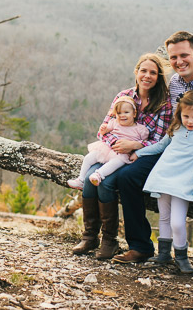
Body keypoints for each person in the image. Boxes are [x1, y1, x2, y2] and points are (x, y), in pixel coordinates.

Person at [112, 31, 193, 282]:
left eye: (184, 55)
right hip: (176, 150)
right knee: (128, 177)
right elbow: (169, 127)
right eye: (173, 57)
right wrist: (140, 148)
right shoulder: (175, 84)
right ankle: (141, 246)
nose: (179, 61)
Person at [71, 53, 172, 260]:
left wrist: (135, 146)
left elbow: (160, 140)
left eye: (153, 72)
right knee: (91, 180)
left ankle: (109, 240)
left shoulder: (164, 104)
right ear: (136, 72)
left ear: (159, 76)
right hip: (111, 151)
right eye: (143, 71)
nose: (147, 76)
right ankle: (90, 236)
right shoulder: (123, 96)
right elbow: (103, 130)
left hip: (140, 157)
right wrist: (117, 145)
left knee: (106, 182)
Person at [130, 90, 193, 273]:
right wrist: (139, 152)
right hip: (163, 175)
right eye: (186, 116)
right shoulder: (175, 129)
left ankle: (181, 256)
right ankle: (163, 254)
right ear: (180, 114)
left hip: (182, 182)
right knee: (164, 217)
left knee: (177, 222)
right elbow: (160, 147)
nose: (190, 121)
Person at [67, 96, 149, 190]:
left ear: (134, 114)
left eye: (126, 112)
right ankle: (80, 179)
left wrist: (133, 146)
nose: (122, 115)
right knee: (89, 157)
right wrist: (103, 129)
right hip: (107, 148)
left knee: (116, 162)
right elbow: (104, 133)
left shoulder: (140, 129)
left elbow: (143, 143)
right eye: (119, 113)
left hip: (122, 153)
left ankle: (98, 175)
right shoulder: (114, 123)